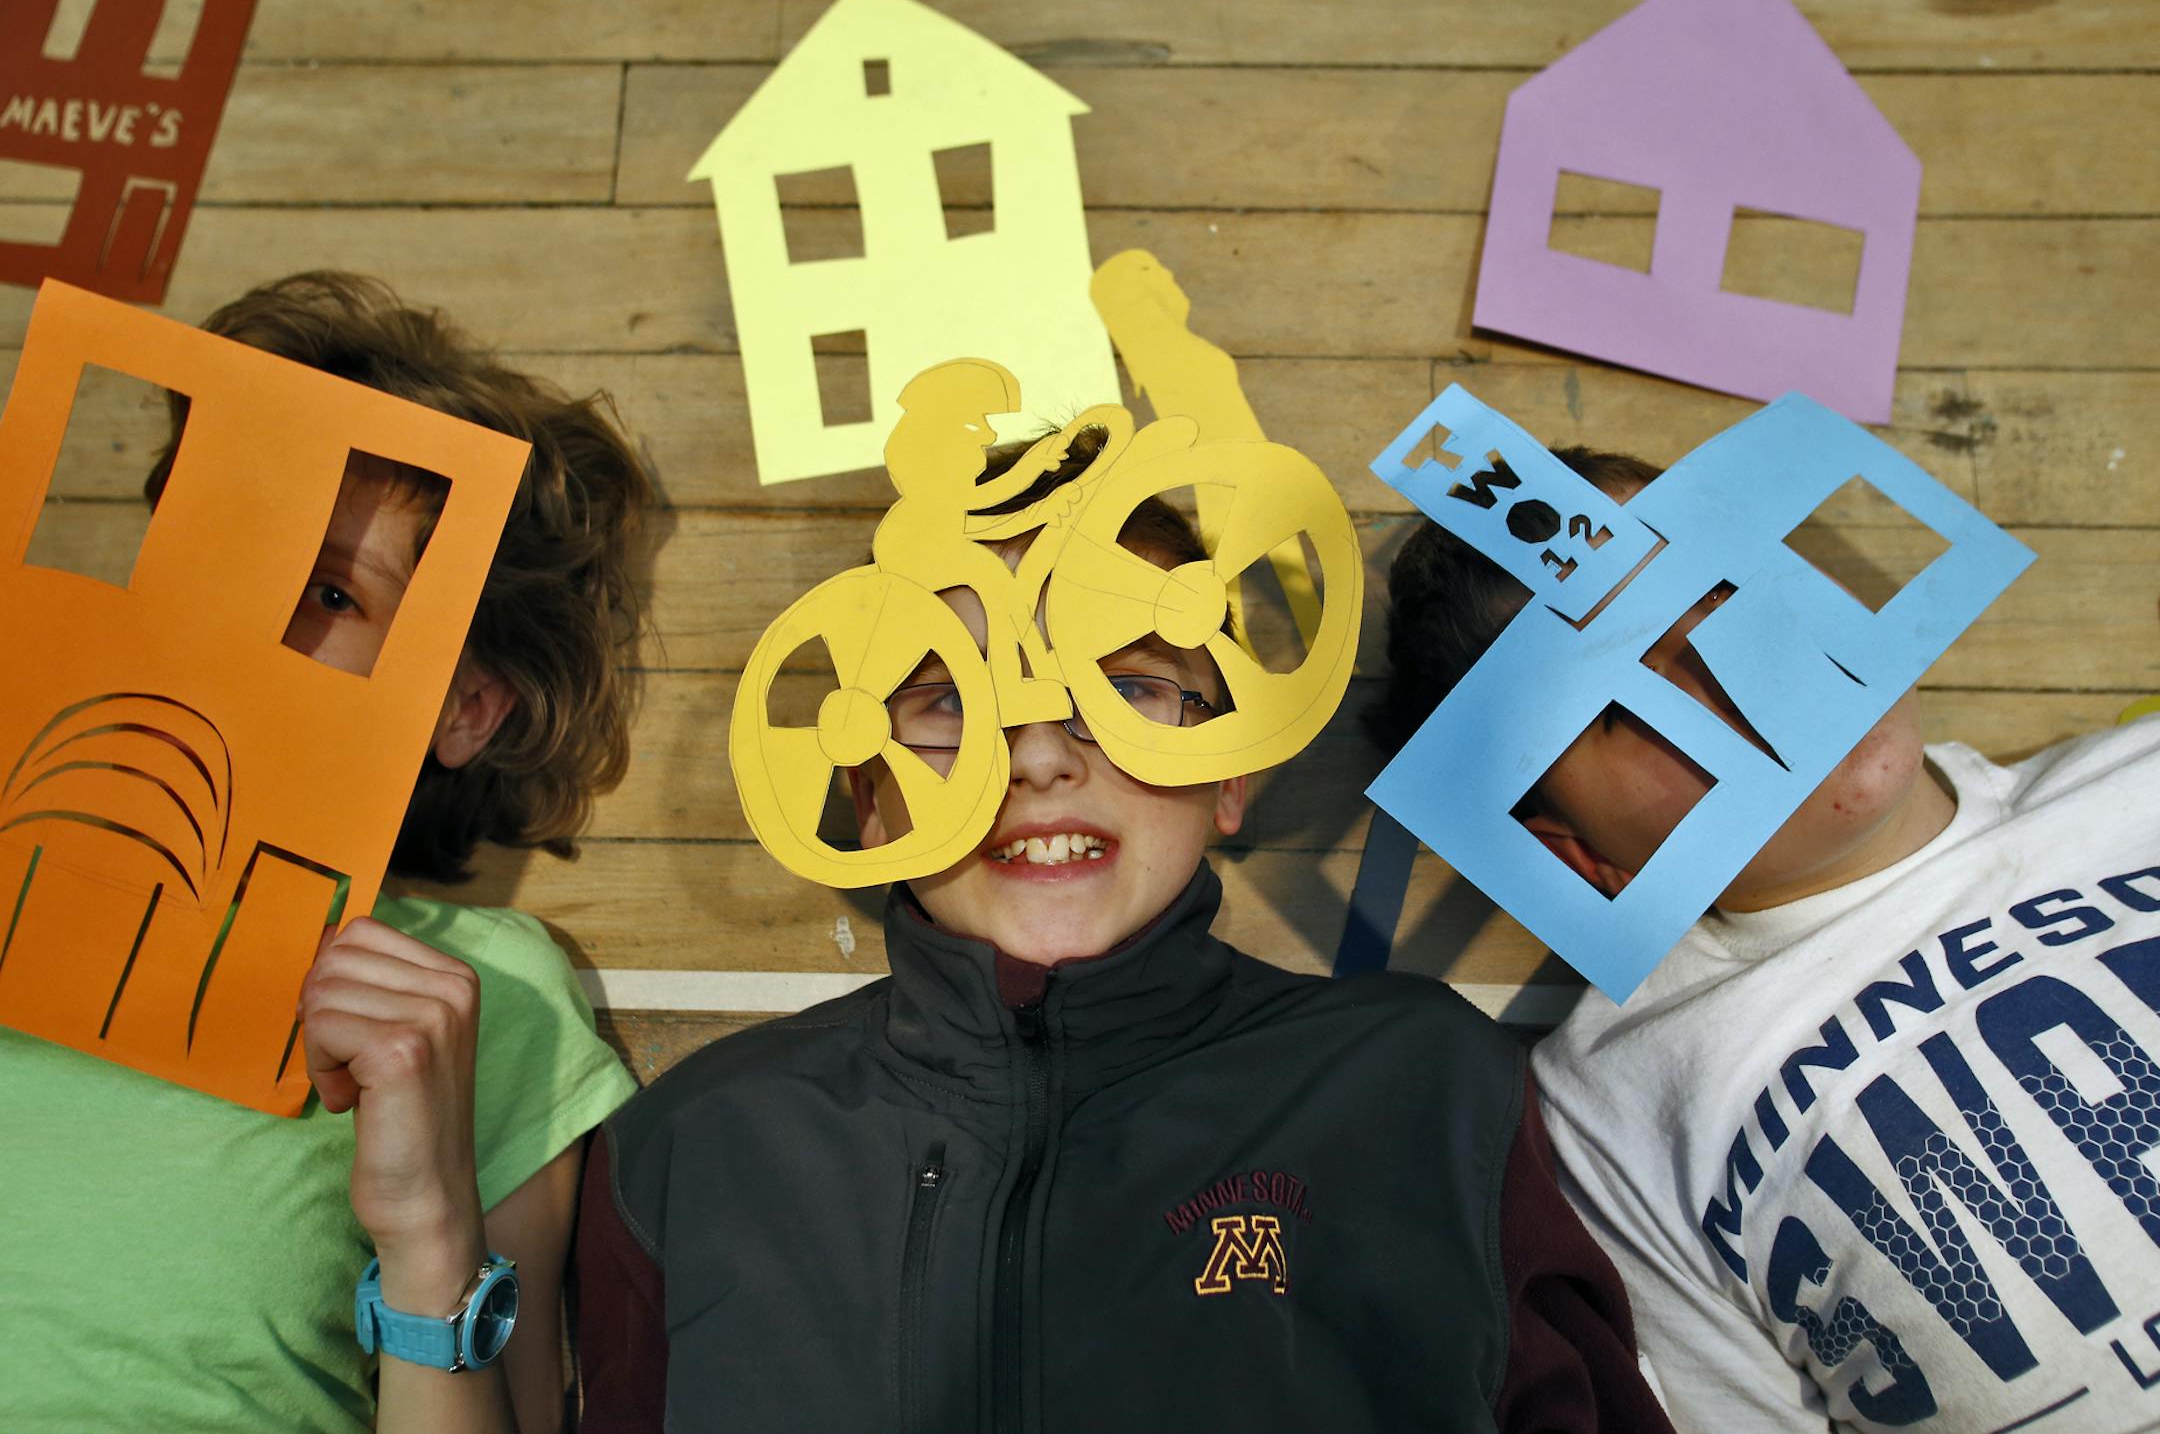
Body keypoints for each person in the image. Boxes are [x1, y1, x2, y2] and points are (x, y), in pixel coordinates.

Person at [574, 420, 1673, 1432]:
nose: (1043, 755)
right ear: (868, 792)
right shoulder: (697, 1148)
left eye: (1133, 687)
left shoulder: (1423, 1088)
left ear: (1229, 772)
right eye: (953, 701)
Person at [1376, 444, 2160, 1432]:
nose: (1740, 663)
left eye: (1732, 584)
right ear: (1576, 856)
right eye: (1626, 699)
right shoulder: (1615, 1113)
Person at [0, 272, 650, 1432]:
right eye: (212, 544)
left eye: (327, 591)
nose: (236, 619)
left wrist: (428, 1227)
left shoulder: (478, 1000)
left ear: (466, 708)